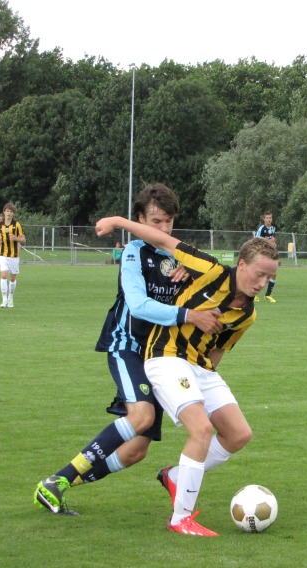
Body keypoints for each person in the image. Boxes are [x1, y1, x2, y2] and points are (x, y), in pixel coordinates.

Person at [34, 184, 223, 516]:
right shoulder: (134, 253)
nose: (162, 229)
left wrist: (191, 281)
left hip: (161, 356)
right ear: (140, 219)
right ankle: (57, 482)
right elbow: (137, 305)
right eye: (155, 221)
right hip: (127, 346)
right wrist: (187, 314)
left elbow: (211, 290)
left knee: (136, 450)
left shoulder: (180, 258)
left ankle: (57, 484)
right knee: (142, 416)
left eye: (167, 222)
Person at [95, 214, 279, 537]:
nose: (262, 283)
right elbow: (163, 241)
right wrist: (117, 221)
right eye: (259, 274)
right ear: (241, 264)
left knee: (238, 434)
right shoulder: (209, 269)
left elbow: (220, 349)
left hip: (199, 366)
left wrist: (203, 381)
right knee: (202, 430)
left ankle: (177, 476)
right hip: (164, 356)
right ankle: (181, 518)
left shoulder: (248, 314)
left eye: (269, 278)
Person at [0, 203, 25, 308]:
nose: (8, 213)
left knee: (12, 278)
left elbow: (23, 240)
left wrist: (16, 239)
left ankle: (10, 298)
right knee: (3, 275)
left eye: (11, 211)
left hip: (14, 255)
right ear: (4, 212)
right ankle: (4, 300)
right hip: (2, 254)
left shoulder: (17, 225)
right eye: (7, 211)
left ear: (13, 213)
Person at [255, 211, 278, 302]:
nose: (269, 219)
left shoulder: (273, 228)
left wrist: (273, 242)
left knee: (274, 273)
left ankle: (268, 295)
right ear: (264, 219)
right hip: (262, 253)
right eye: (267, 218)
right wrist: (268, 241)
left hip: (271, 253)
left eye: (270, 217)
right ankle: (254, 294)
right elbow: (257, 239)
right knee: (260, 273)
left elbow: (273, 238)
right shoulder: (262, 228)